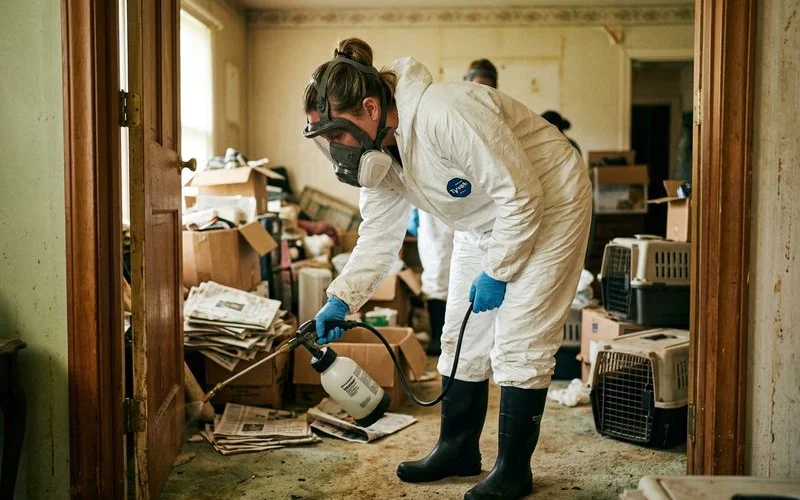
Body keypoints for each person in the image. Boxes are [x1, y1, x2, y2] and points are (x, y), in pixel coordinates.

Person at [303, 38, 591, 500]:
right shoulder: (380, 158)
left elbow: (522, 197)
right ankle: (457, 450)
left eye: (336, 136)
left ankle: (514, 471)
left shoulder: (446, 114)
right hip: (483, 220)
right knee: (459, 333)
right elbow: (377, 237)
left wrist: (498, 270)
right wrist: (342, 298)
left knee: (519, 341)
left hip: (550, 202)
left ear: (370, 109)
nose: (335, 150)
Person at [408, 58, 499, 356]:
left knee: (474, 269)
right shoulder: (447, 110)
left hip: (476, 202)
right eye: (476, 87)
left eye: (487, 88)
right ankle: (440, 340)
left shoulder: (495, 116)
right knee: (437, 264)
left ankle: (471, 341)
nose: (479, 94)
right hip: (439, 197)